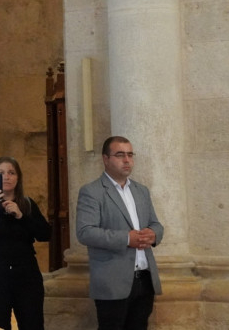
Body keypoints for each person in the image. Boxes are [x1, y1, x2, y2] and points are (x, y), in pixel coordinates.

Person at [76, 136, 163, 330]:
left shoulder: (141, 191)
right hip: (112, 281)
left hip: (144, 278)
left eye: (130, 155)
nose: (127, 160)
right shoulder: (92, 191)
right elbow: (85, 232)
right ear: (106, 159)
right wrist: (126, 238)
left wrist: (154, 234)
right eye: (120, 155)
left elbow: (156, 224)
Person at [0, 156, 51, 330]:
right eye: (1, 173)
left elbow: (45, 234)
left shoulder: (27, 204)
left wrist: (21, 216)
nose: (6, 177)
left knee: (32, 324)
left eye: (12, 173)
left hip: (26, 275)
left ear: (18, 178)